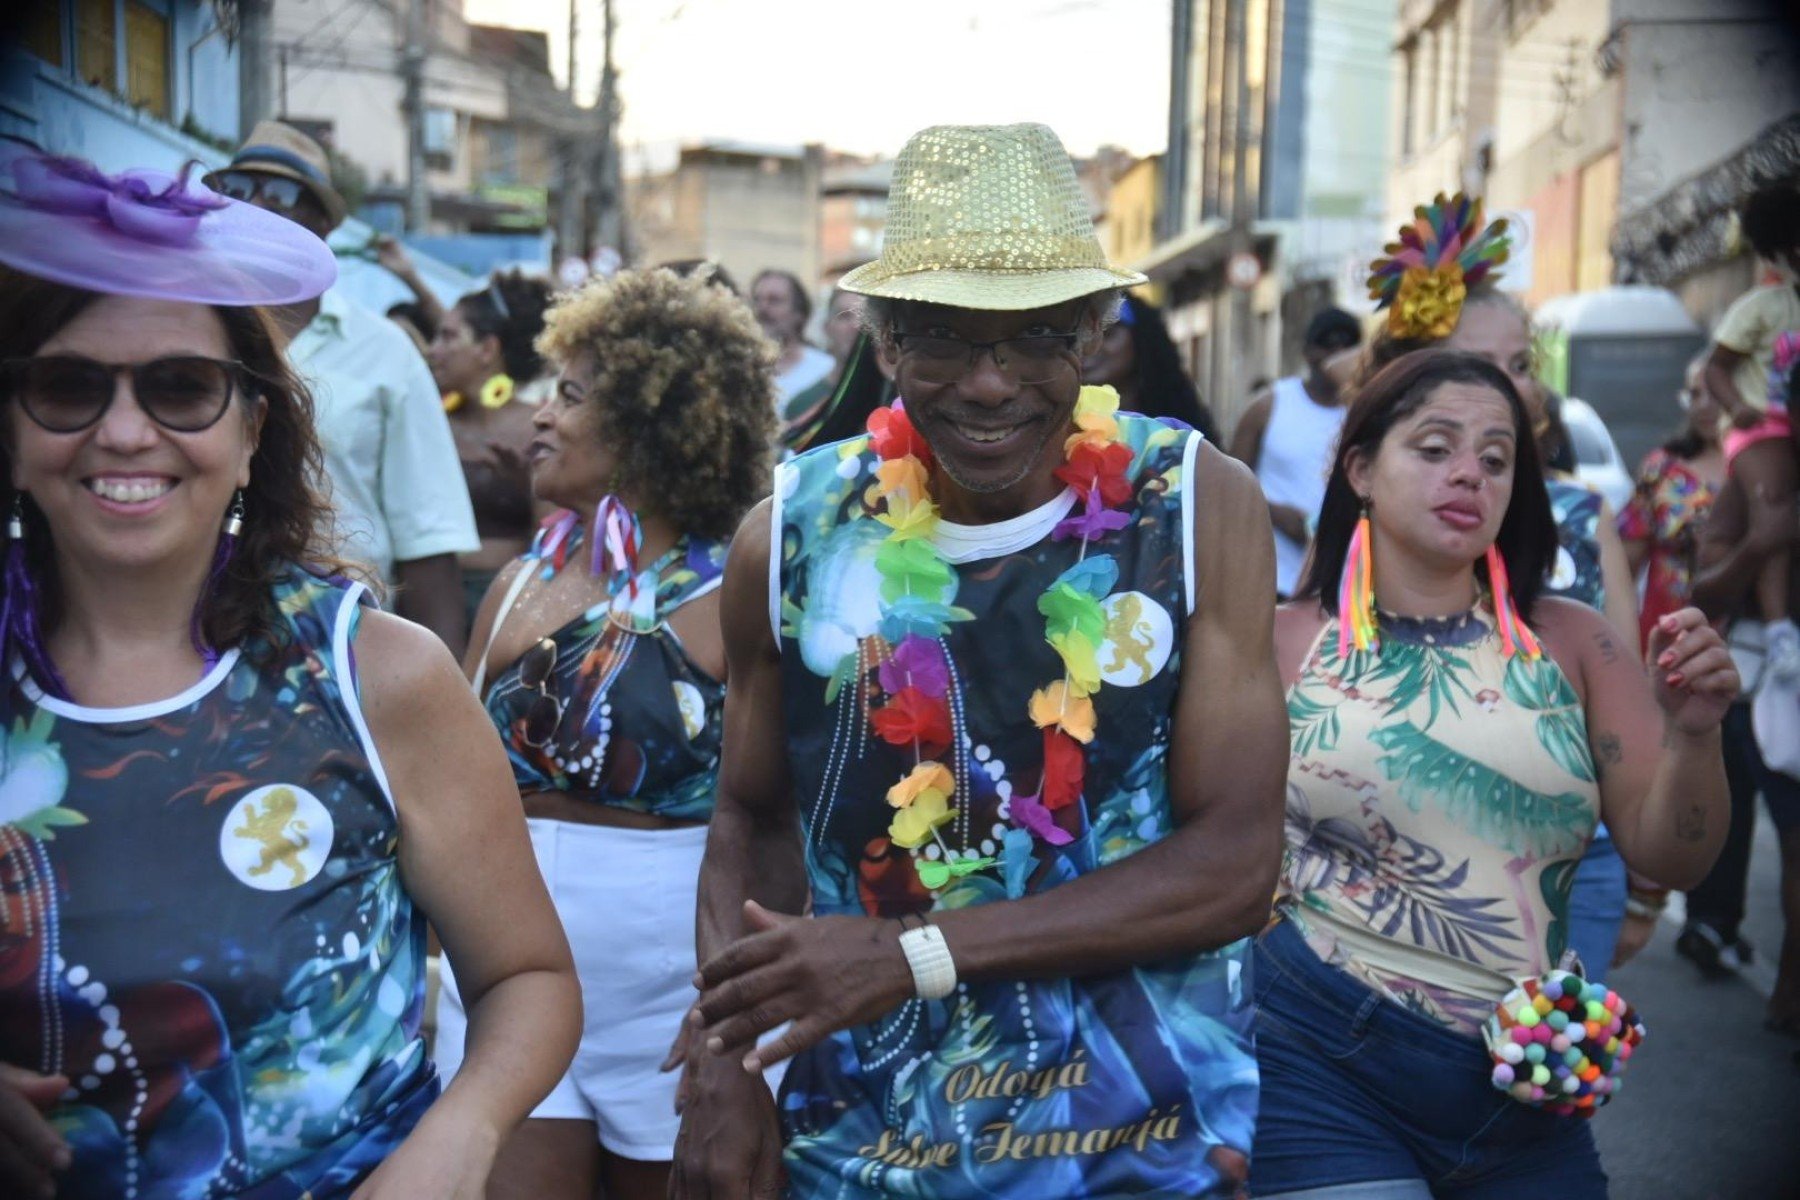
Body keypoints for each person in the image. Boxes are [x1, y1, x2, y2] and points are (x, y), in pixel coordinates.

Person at [673, 122, 1284, 1200]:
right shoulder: (798, 531)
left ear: (1094, 336)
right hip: (865, 1147)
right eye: (947, 341)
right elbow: (754, 818)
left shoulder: (1189, 505)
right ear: (887, 340)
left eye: (1036, 339)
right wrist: (728, 1072)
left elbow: (1235, 862)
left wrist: (913, 953)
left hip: (1134, 1148)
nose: (991, 384)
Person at [0, 149, 578, 1199]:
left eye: (181, 387)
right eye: (67, 386)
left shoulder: (375, 676)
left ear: (254, 423)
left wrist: (463, 1134)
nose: (124, 431)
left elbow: (528, 979)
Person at [1252, 347, 1736, 1198]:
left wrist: (1696, 736)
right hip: (1319, 1054)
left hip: (1528, 1082)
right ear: (1360, 468)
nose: (1469, 473)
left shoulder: (1575, 642)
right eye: (1434, 448)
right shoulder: (1285, 641)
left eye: (1496, 458)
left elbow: (1674, 858)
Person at [433, 267, 777, 1200]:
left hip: (670, 993)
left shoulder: (729, 592)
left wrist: (733, 1009)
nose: (541, 416)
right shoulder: (516, 580)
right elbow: (450, 786)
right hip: (503, 976)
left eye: (573, 396)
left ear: (652, 426)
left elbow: (773, 812)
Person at [1357, 198, 1641, 981]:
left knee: (1548, 1075)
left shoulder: (1583, 514)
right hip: (1406, 843)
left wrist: (1643, 884)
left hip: (1578, 854)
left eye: (1523, 363)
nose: (1517, 386)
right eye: (1489, 365)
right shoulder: (1371, 521)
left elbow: (1633, 700)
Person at [204, 121, 479, 656]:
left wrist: (447, 702)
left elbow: (429, 540)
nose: (256, 206)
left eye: (282, 193)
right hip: (208, 638)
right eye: (238, 190)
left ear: (322, 226)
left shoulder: (387, 353)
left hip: (349, 648)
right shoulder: (184, 338)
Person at [1689, 362, 1800, 1033]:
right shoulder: (1760, 472)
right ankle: (1787, 985)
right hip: (1772, 690)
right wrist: (1763, 543)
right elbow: (1706, 588)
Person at [417, 265, 556, 629]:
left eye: (447, 337)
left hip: (509, 606)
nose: (434, 351)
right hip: (424, 602)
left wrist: (528, 487)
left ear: (487, 349)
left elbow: (557, 543)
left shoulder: (541, 424)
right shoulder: (431, 421)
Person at [1701, 183, 1800, 681]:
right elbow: (1714, 368)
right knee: (1774, 504)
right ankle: (1781, 633)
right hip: (1759, 425)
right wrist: (1738, 406)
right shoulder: (1763, 306)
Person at [1229, 306, 1363, 598]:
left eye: (1347, 345)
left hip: (1340, 582)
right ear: (1307, 352)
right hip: (1270, 578)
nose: (1337, 354)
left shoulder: (1365, 412)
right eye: (1327, 344)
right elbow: (1228, 484)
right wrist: (1275, 513)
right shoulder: (1268, 405)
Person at [1081, 293, 1222, 443]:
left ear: (1142, 339)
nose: (1089, 348)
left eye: (1107, 335)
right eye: (1079, 338)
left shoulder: (1184, 429)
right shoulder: (1061, 427)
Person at [752, 268, 835, 418]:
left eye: (774, 300)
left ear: (799, 314)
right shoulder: (739, 367)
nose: (762, 308)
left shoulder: (826, 369)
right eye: (757, 300)